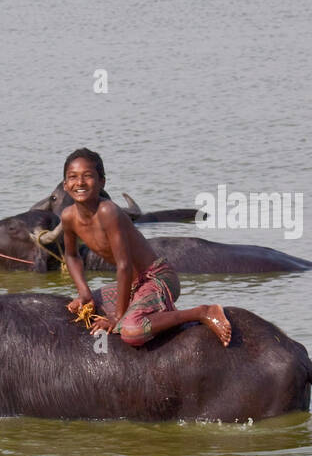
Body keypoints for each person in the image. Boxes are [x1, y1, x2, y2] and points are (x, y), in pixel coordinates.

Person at [59, 148, 231, 347]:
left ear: (102, 182)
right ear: (65, 184)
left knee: (130, 331)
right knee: (84, 308)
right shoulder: (68, 216)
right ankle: (150, 311)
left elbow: (123, 265)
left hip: (156, 277)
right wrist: (85, 293)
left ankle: (202, 312)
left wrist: (118, 318)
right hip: (133, 286)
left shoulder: (108, 211)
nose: (79, 183)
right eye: (73, 177)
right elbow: (72, 257)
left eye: (88, 176)